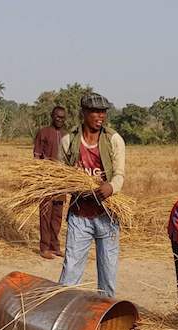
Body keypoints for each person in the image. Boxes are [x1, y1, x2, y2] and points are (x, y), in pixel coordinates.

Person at [58, 93, 126, 299]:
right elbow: (60, 175)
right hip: (79, 217)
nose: (101, 116)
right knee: (71, 271)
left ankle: (105, 317)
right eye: (96, 112)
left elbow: (120, 174)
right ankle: (62, 315)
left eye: (103, 112)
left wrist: (111, 188)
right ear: (84, 113)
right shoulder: (68, 140)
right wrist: (74, 187)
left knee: (108, 273)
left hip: (107, 216)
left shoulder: (113, 139)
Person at [33, 106, 67, 259]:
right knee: (45, 214)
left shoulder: (67, 135)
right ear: (52, 116)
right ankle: (44, 247)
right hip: (46, 179)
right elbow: (37, 157)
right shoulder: (43, 133)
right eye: (57, 117)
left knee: (57, 215)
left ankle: (55, 246)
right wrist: (40, 178)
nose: (60, 120)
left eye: (62, 118)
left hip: (61, 180)